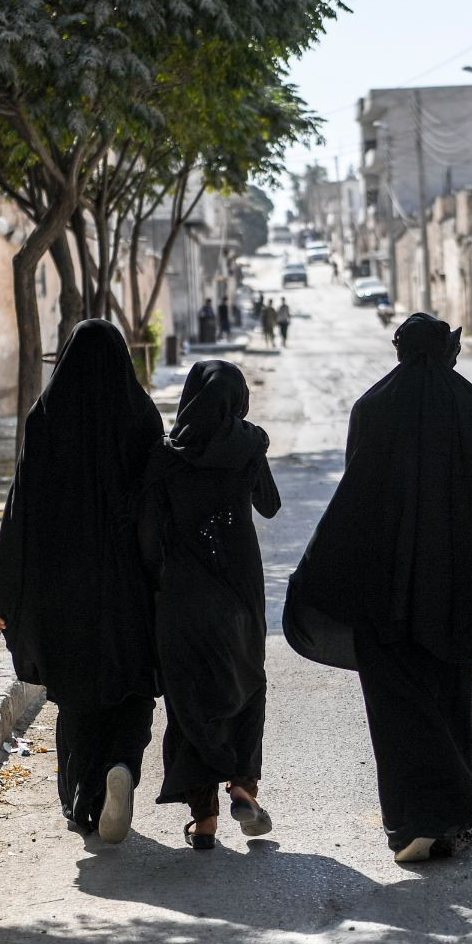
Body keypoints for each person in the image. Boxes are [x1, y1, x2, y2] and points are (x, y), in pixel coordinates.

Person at [284, 314, 472, 863]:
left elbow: (359, 498)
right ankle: (453, 819)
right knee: (451, 699)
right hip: (456, 592)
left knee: (396, 711)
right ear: (445, 353)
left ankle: (412, 821)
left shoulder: (372, 406)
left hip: (384, 593)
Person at [0, 321, 162, 845]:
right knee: (132, 689)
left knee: (79, 695)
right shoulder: (141, 417)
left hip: (65, 592)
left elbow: (21, 511)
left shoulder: (47, 418)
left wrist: (3, 588)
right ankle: (123, 766)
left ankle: (83, 801)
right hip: (128, 586)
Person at [140, 361, 282, 850]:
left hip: (182, 595)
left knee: (189, 702)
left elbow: (149, 531)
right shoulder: (247, 444)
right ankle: (243, 785)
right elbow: (270, 505)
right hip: (240, 590)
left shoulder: (166, 455)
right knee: (247, 685)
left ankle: (204, 821)